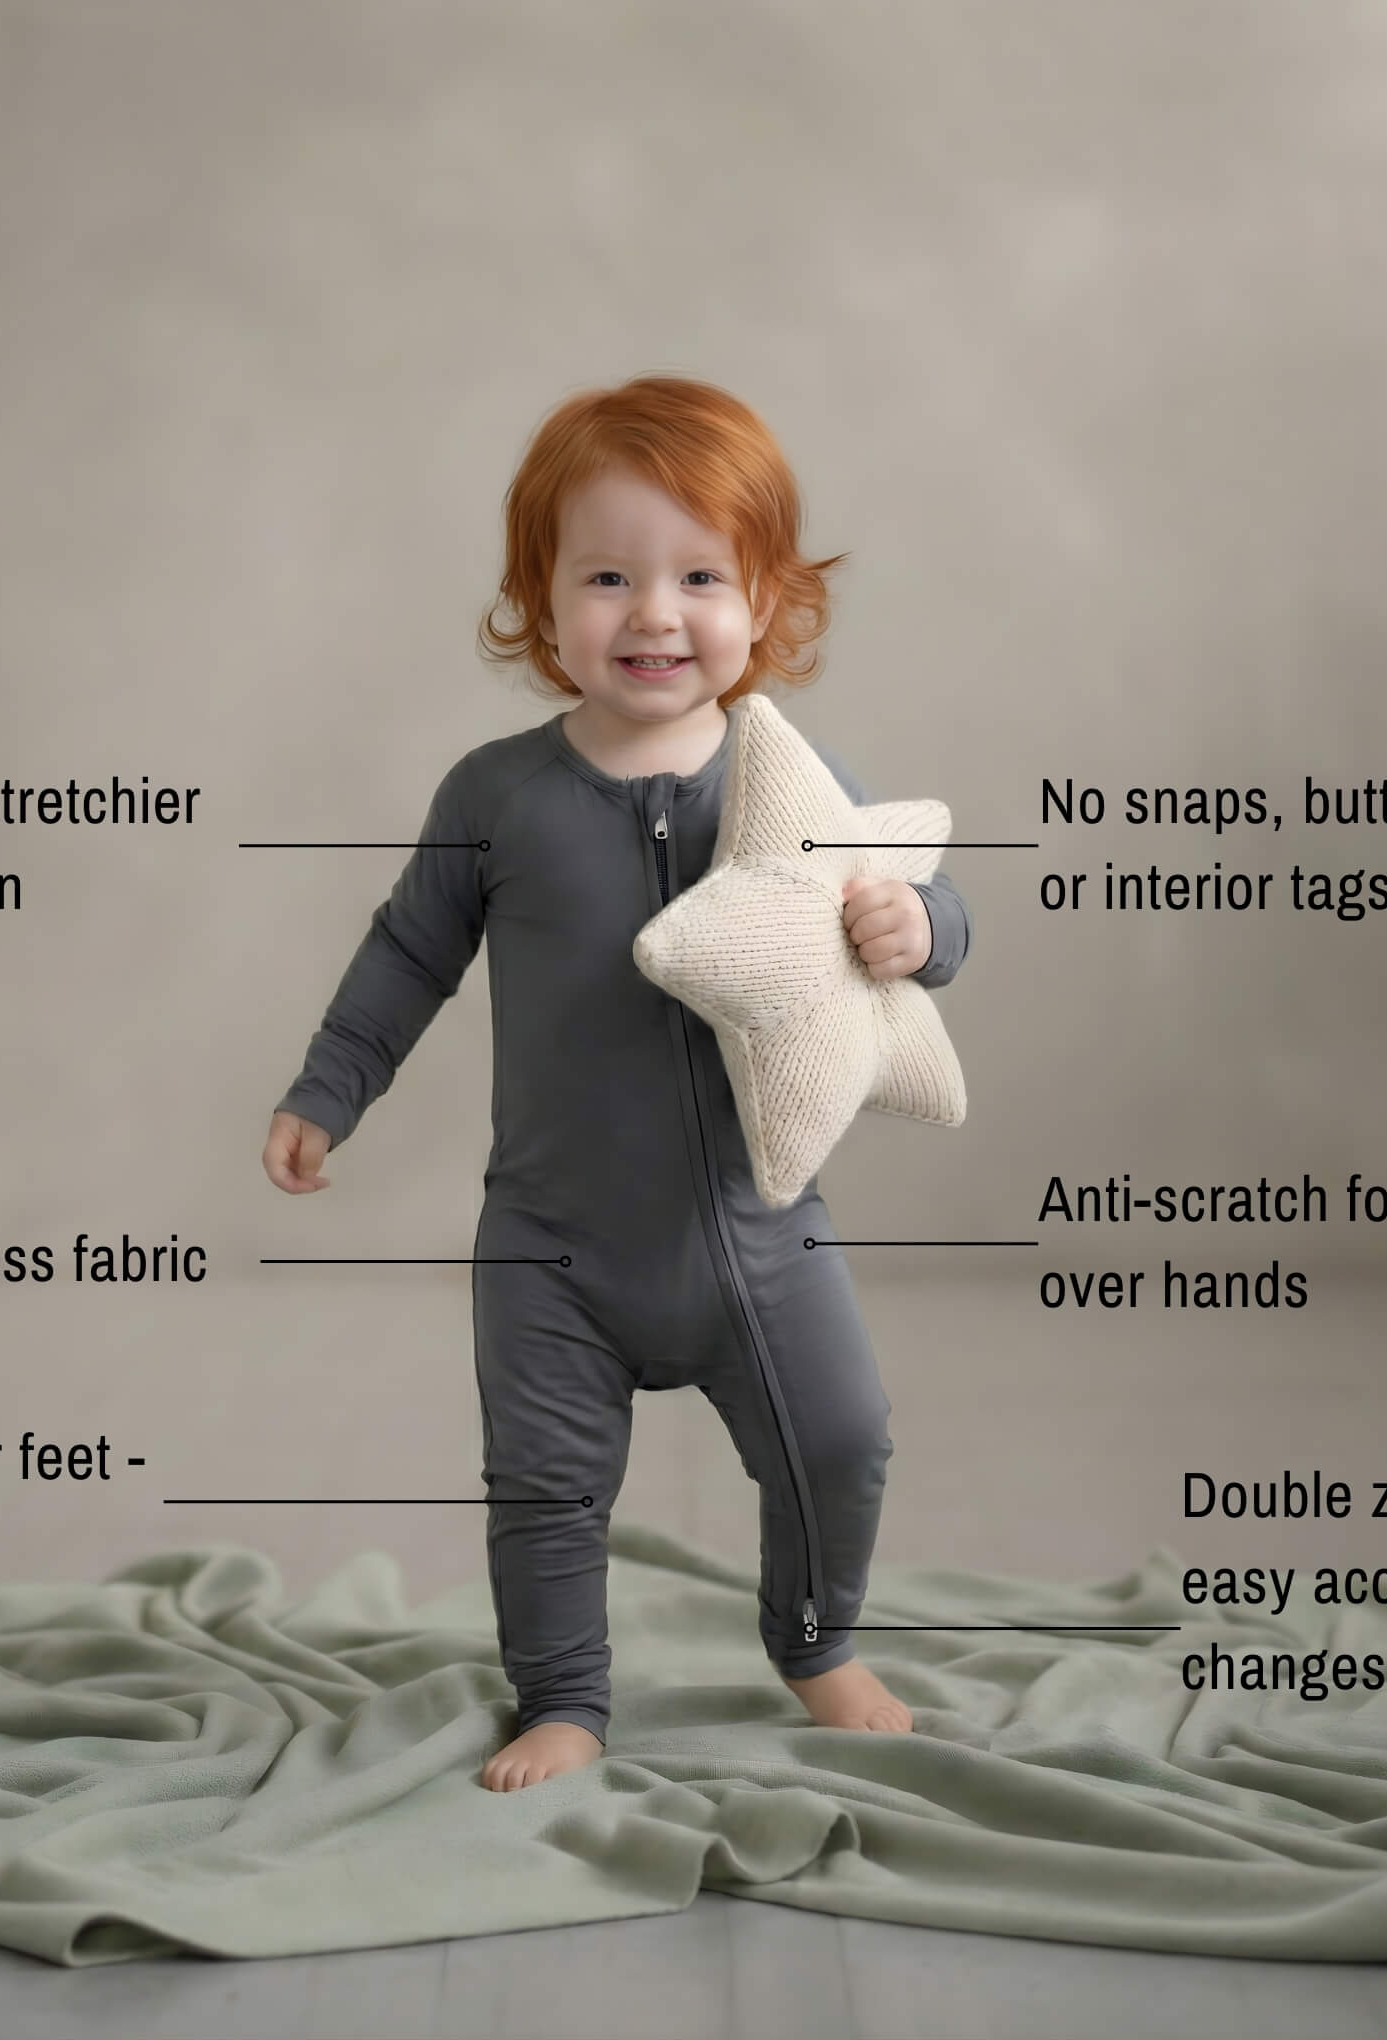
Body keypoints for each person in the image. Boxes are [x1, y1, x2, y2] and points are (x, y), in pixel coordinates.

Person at [263, 375, 972, 1790]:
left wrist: (923, 931)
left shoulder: (786, 782)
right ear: (541, 600)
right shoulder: (497, 796)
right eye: (608, 576)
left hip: (757, 1228)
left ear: (766, 601)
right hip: (552, 1247)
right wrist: (326, 1089)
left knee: (842, 1438)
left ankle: (817, 1642)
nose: (655, 614)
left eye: (701, 575)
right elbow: (408, 955)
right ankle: (565, 1700)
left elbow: (908, 913)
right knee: (543, 1492)